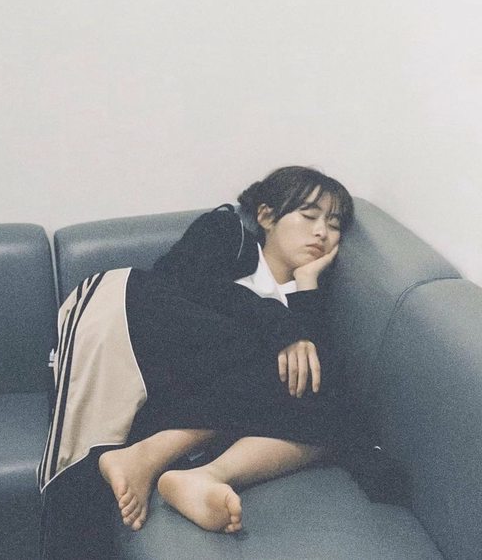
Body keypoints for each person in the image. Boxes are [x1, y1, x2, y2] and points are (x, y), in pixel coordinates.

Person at [39, 166, 354, 559]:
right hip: (125, 315)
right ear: (266, 216)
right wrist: (279, 323)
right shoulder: (226, 232)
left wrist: (306, 285)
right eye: (308, 216)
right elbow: (181, 281)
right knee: (76, 468)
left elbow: (314, 381)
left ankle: (168, 463)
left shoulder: (299, 303)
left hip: (173, 384)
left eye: (334, 225)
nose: (322, 232)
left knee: (325, 396)